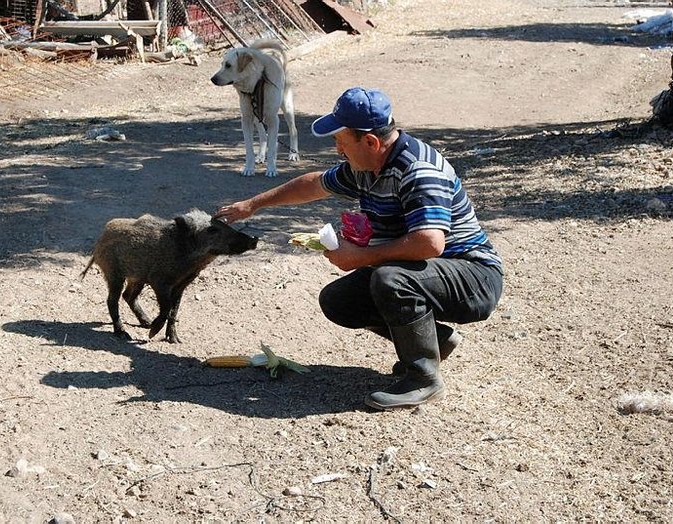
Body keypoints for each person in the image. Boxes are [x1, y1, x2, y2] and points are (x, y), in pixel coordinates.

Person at [214, 87, 503, 410]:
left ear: (370, 142)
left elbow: (430, 243)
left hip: (474, 276)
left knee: (390, 279)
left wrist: (361, 257)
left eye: (341, 140)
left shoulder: (418, 171)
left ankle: (423, 379)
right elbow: (314, 184)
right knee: (339, 301)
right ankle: (434, 341)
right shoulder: (367, 168)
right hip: (433, 274)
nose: (337, 149)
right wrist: (253, 204)